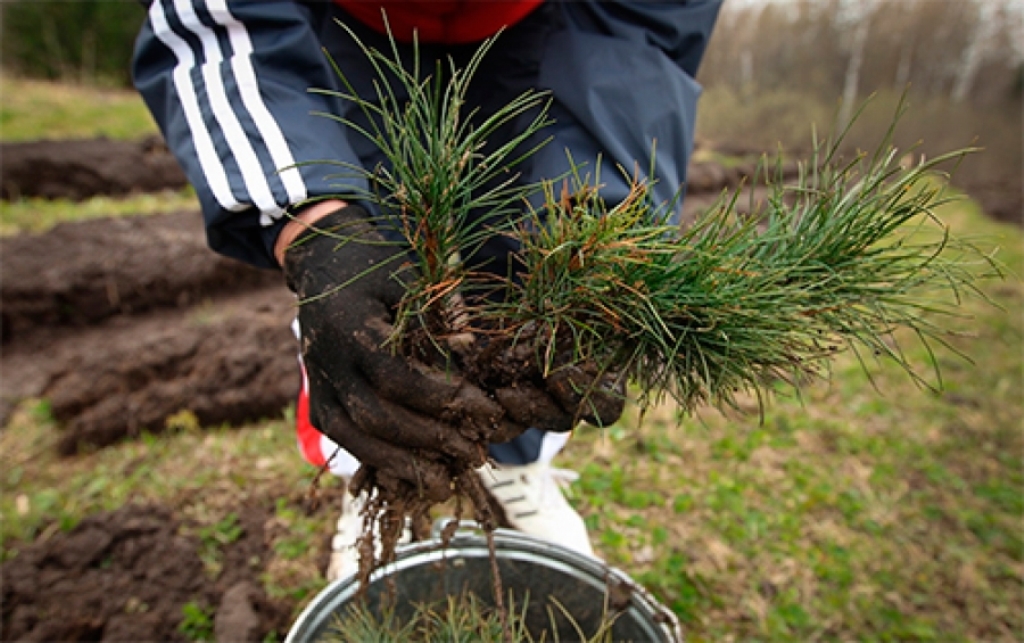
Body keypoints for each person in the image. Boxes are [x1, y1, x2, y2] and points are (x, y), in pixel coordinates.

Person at [133, 0, 721, 581]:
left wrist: (598, 224)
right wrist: (312, 221)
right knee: (365, 289)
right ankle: (382, 482)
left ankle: (511, 467)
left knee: (529, 271)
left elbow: (640, 31)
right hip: (341, 18)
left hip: (543, 20)